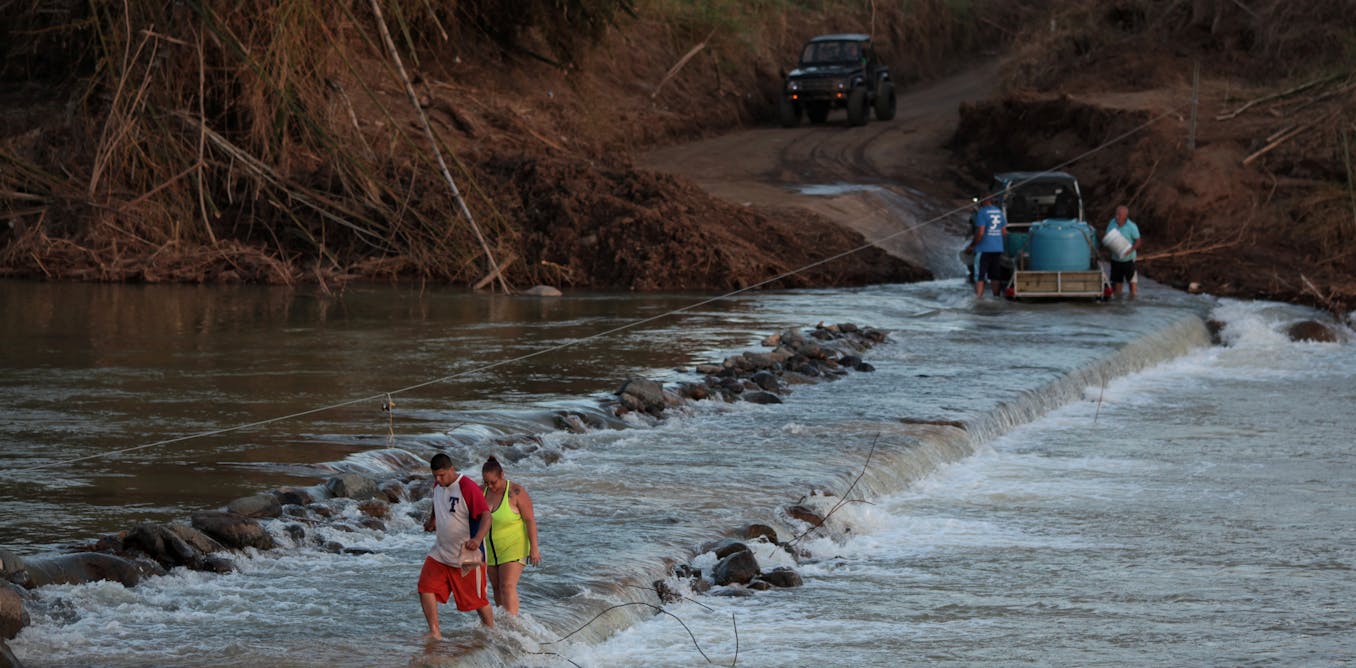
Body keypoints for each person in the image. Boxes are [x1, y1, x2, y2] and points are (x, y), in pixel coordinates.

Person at [418, 453, 494, 638]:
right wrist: (432, 520)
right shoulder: (438, 485)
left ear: (451, 469)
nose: (438, 479)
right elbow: (438, 503)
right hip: (441, 552)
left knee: (477, 601)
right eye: (435, 475)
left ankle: (492, 633)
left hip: (466, 556)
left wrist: (477, 539)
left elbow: (486, 516)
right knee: (425, 588)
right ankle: (435, 632)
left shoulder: (467, 487)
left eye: (442, 475)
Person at [481, 456, 541, 616]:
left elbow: (529, 520)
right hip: (491, 549)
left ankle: (513, 623)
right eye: (486, 482)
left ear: (502, 474)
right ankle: (504, 621)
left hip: (514, 546)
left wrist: (534, 548)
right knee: (496, 588)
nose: (490, 486)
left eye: (493, 482)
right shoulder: (482, 491)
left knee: (507, 586)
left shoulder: (516, 492)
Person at [966, 195, 1008, 298]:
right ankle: (996, 297)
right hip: (997, 248)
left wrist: (972, 246)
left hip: (984, 249)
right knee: (995, 275)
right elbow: (1004, 232)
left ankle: (978, 298)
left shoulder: (982, 212)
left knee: (979, 276)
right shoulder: (999, 212)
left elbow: (980, 233)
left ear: (982, 201)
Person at [1105, 205, 1142, 299]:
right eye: (1116, 214)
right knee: (1116, 284)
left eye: (1119, 214)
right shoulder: (1112, 223)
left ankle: (1132, 300)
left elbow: (1138, 241)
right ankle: (1118, 302)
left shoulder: (1132, 226)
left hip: (1129, 259)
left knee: (1132, 282)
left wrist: (1131, 249)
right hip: (1116, 258)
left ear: (1125, 216)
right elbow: (1107, 236)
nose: (1117, 216)